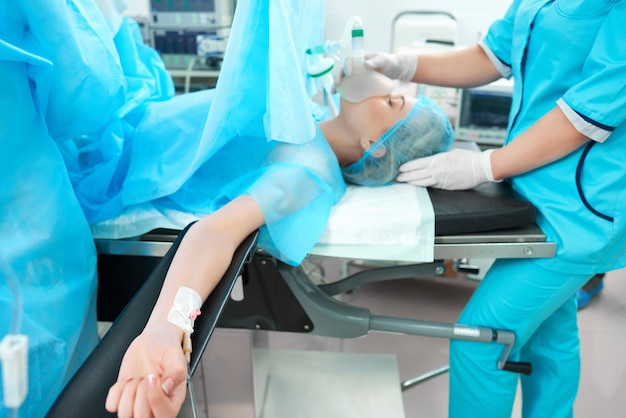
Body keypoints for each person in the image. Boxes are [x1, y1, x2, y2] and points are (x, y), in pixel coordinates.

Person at [353, 1, 626, 416]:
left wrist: (486, 165)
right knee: (549, 340)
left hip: (580, 209)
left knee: (481, 339)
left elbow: (584, 116)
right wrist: (404, 65)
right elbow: (489, 57)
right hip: (531, 188)